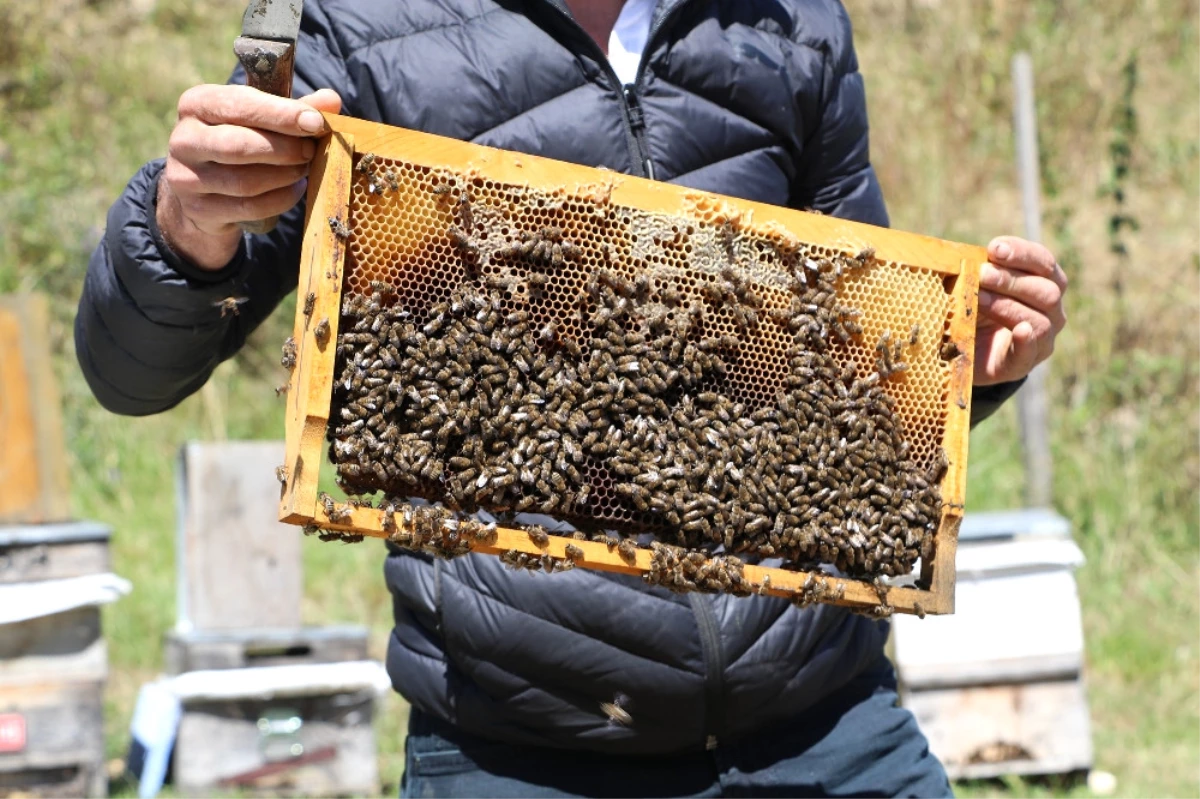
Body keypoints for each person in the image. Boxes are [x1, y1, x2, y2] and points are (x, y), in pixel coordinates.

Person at [78, 1, 1067, 796]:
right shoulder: (355, 24)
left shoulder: (786, 19)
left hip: (826, 726)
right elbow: (135, 373)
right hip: (522, 749)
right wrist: (183, 229)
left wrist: (958, 365)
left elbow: (848, 360)